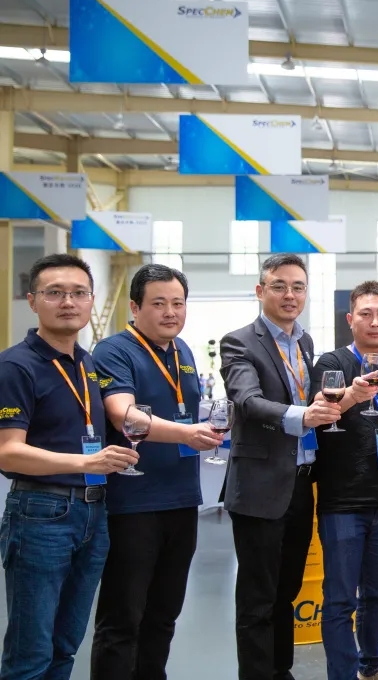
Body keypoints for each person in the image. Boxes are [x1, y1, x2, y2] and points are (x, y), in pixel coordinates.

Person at [0, 254, 139, 679]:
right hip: (41, 514)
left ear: (92, 301)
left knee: (65, 647)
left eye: (79, 293)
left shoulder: (87, 363)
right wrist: (87, 461)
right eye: (55, 293)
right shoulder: (15, 366)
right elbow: (7, 452)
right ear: (32, 301)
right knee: (30, 653)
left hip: (92, 512)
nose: (68, 302)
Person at [89, 264, 225, 679]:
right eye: (159, 303)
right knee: (122, 618)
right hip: (134, 503)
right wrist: (186, 433)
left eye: (178, 303)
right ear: (134, 307)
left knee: (164, 615)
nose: (170, 312)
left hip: (182, 499)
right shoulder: (113, 351)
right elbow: (123, 413)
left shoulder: (183, 350)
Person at [220, 254, 342, 680]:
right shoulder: (239, 342)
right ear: (260, 291)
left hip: (301, 482)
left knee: (287, 590)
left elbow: (312, 400)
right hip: (260, 486)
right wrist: (302, 416)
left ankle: (280, 670)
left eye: (298, 287)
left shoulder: (305, 344)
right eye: (279, 286)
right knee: (257, 597)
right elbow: (247, 401)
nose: (290, 295)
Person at [313, 281, 378, 680]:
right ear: (351, 320)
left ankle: (371, 665)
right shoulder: (331, 363)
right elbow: (317, 416)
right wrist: (350, 395)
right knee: (339, 600)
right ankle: (343, 675)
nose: (374, 322)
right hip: (343, 502)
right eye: (365, 314)